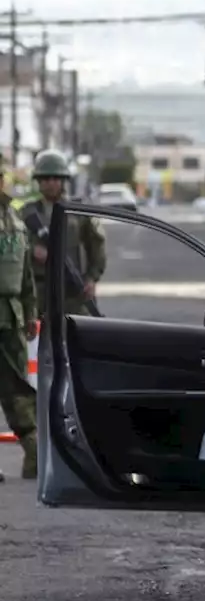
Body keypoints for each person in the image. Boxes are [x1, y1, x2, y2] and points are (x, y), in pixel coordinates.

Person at [22, 150, 107, 318]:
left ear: (64, 180)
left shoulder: (79, 211)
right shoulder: (27, 213)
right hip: (38, 291)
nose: (51, 183)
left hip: (73, 291)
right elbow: (11, 246)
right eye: (46, 179)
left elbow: (97, 244)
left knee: (80, 336)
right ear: (38, 181)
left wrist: (91, 278)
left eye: (56, 178)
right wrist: (32, 251)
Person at [0, 174, 38, 481]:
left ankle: (35, 451)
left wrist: (29, 314)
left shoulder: (14, 216)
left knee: (17, 386)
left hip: (10, 315)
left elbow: (25, 275)